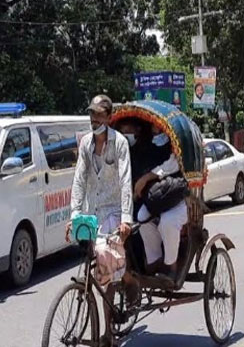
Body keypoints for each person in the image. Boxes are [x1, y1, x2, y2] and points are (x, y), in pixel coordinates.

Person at [67, 95, 133, 346]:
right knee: (95, 262)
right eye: (91, 115)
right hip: (92, 211)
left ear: (108, 117)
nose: (94, 120)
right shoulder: (85, 144)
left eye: (99, 115)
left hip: (115, 211)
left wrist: (126, 218)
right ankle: (119, 277)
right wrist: (74, 215)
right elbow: (79, 181)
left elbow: (126, 181)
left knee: (105, 261)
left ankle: (109, 331)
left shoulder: (120, 144)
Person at [117, 120, 187, 283]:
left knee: (167, 222)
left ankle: (172, 266)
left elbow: (172, 164)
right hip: (153, 199)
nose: (156, 129)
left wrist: (148, 177)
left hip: (175, 197)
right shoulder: (144, 146)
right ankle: (154, 261)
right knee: (141, 218)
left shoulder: (174, 143)